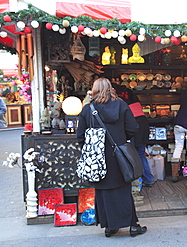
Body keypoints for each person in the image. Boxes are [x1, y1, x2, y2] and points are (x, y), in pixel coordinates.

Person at [76, 78, 147, 238]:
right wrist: (121, 140)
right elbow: (132, 128)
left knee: (103, 192)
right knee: (123, 190)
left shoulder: (88, 109)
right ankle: (132, 226)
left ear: (93, 90)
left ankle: (109, 226)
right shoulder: (122, 105)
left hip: (97, 159)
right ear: (110, 89)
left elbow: (80, 136)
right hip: (119, 155)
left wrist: (91, 151)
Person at [112, 80, 155, 187]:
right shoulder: (131, 96)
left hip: (134, 126)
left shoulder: (119, 101)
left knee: (131, 155)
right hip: (143, 125)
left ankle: (137, 182)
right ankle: (148, 179)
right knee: (140, 153)